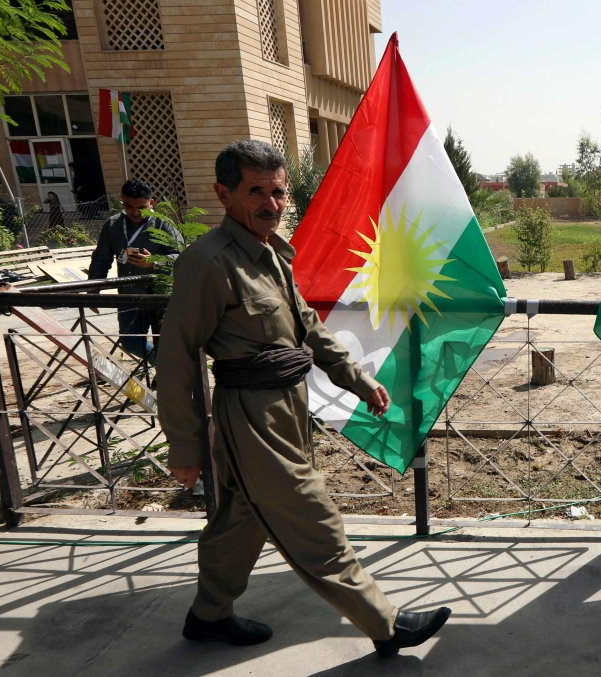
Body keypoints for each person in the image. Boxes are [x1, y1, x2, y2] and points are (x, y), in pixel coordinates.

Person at [157, 140, 450, 656]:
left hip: (288, 406)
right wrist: (184, 445)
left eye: (278, 191)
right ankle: (385, 624)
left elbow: (306, 328)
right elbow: (177, 359)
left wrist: (355, 378)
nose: (271, 203)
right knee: (311, 515)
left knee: (241, 521)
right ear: (223, 194)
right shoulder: (208, 263)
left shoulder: (272, 254)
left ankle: (208, 615)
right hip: (250, 416)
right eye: (256, 192)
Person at [88, 179, 183, 365]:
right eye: (129, 206)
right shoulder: (112, 225)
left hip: (161, 296)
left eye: (142, 207)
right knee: (131, 343)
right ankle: (167, 367)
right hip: (129, 296)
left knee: (167, 343)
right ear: (121, 201)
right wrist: (93, 290)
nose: (135, 212)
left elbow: (181, 258)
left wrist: (154, 263)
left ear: (151, 203)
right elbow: (101, 259)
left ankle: (168, 375)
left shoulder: (164, 225)